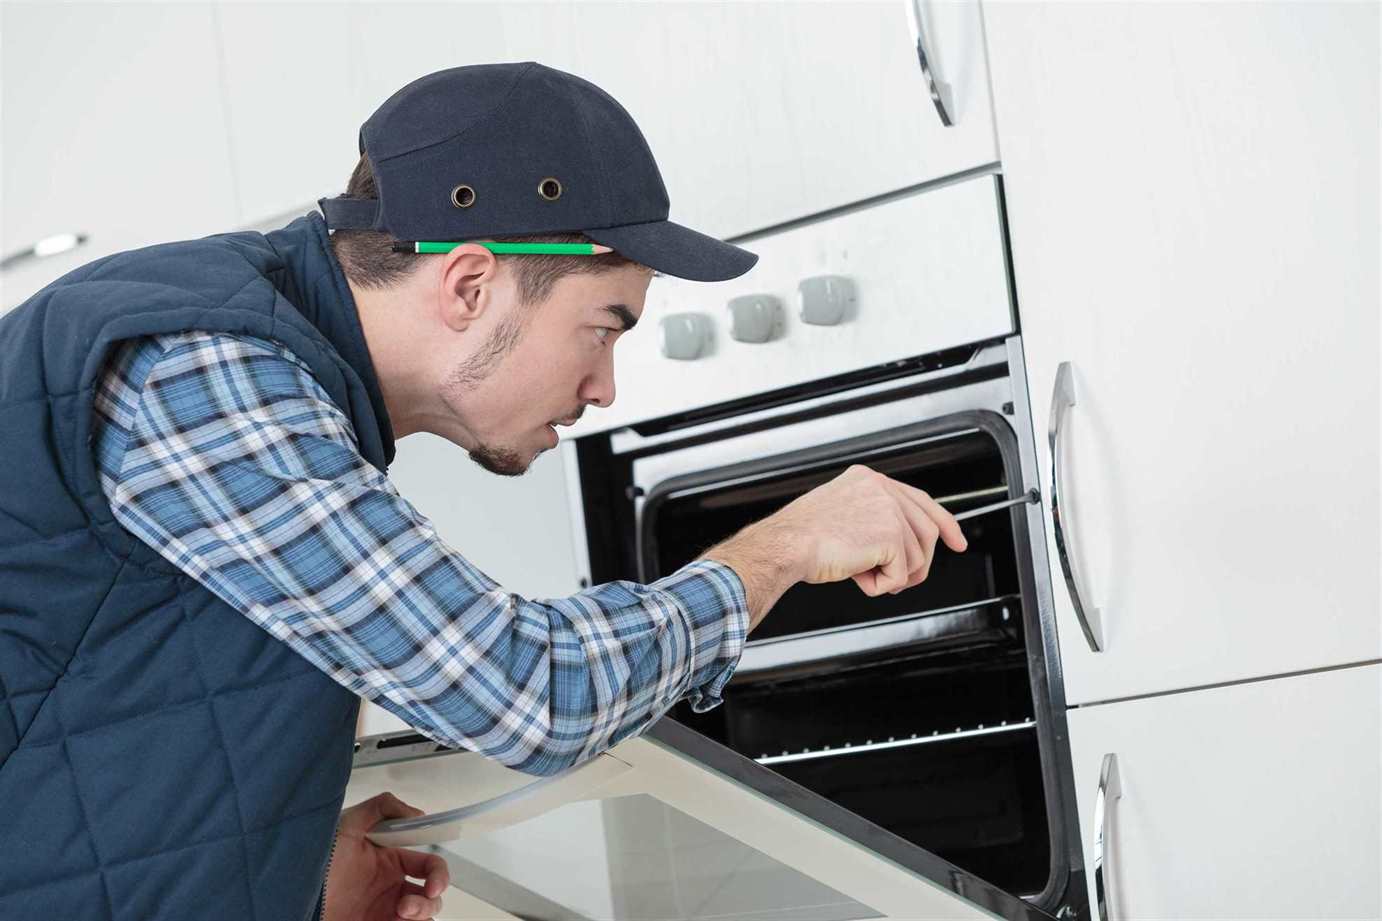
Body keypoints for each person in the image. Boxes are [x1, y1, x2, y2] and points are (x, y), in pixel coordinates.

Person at [0, 62, 967, 921]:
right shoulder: (200, 365)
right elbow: (528, 694)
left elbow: (115, 713)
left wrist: (278, 862)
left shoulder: (278, 376)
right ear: (469, 285)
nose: (604, 390)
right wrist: (779, 550)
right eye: (605, 326)